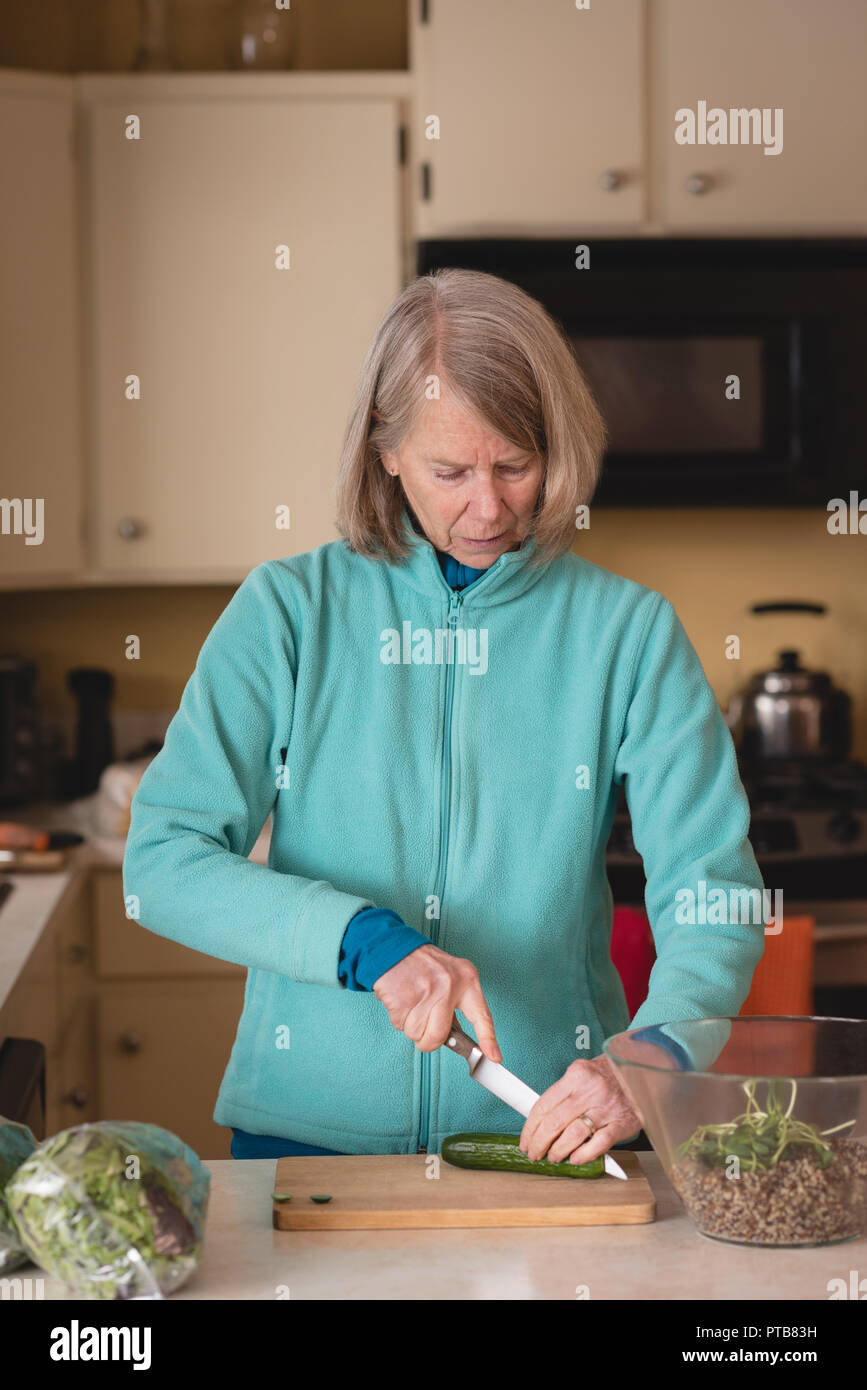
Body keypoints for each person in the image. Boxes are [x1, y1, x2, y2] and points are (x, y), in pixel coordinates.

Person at [122, 268, 766, 1165]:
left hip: (551, 1136)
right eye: (450, 470)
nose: (489, 507)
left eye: (516, 465)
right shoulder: (288, 612)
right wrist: (363, 941)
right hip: (306, 1135)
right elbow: (162, 862)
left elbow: (712, 890)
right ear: (384, 452)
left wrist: (648, 1059)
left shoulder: (627, 632)